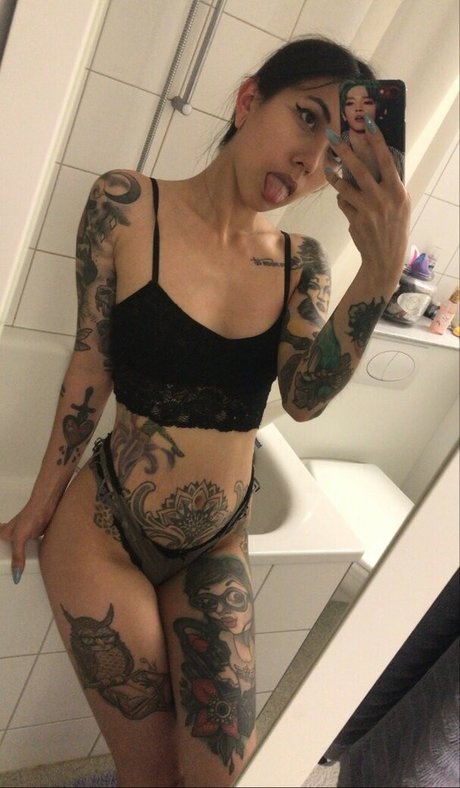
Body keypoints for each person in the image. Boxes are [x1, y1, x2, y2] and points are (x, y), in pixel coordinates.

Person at [0, 36, 410, 787]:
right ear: (250, 100)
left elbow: (304, 400)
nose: (308, 160)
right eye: (306, 118)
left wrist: (380, 272)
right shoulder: (126, 204)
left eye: (332, 150)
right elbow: (90, 362)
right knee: (150, 774)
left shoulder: (303, 264)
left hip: (215, 548)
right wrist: (39, 502)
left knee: (221, 779)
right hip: (105, 531)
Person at [339, 79, 405, 185]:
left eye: (367, 102)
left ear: (378, 110)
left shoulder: (397, 158)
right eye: (350, 103)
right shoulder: (334, 148)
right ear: (343, 114)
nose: (358, 108)